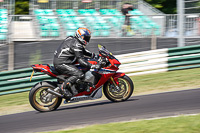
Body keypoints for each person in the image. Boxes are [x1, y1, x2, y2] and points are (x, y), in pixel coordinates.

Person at [53, 27, 100, 99]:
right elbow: (81, 60)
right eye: (86, 37)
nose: (87, 39)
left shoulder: (72, 39)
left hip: (62, 61)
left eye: (88, 38)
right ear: (80, 36)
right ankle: (64, 87)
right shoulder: (76, 44)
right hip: (62, 63)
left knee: (80, 69)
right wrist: (92, 66)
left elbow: (82, 51)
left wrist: (93, 55)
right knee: (79, 74)